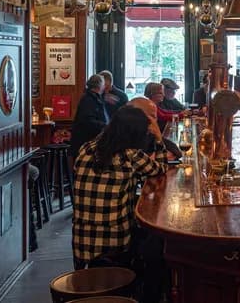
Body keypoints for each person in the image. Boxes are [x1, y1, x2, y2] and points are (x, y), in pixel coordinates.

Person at [72, 106, 169, 302]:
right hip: (115, 244)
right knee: (157, 248)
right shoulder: (131, 155)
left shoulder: (86, 147)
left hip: (81, 243)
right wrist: (158, 140)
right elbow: (160, 169)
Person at [70, 74, 109, 159]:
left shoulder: (91, 97)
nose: (104, 87)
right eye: (103, 84)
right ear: (99, 86)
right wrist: (105, 126)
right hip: (86, 141)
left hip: (88, 140)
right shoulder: (89, 100)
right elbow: (88, 121)